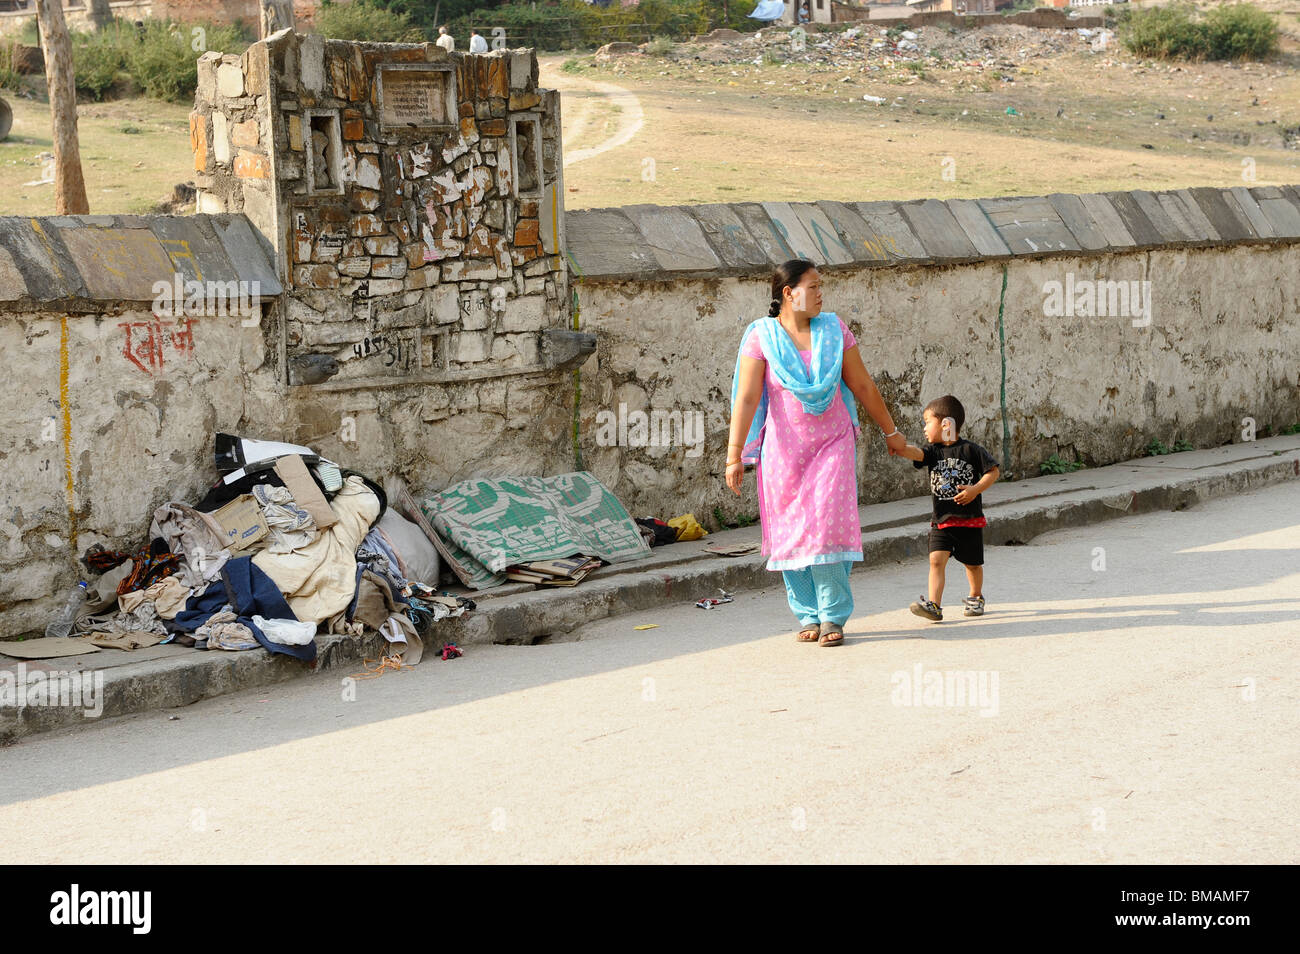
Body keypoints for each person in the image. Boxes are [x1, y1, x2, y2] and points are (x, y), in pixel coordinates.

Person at [728, 260, 907, 646]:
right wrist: (734, 455)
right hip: (783, 451)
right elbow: (746, 398)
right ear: (788, 293)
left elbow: (862, 384)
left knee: (827, 527)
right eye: (813, 285)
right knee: (791, 531)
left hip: (833, 443)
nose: (821, 292)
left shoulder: (834, 329)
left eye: (821, 285)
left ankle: (833, 617)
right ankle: (807, 614)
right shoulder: (760, 336)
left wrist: (891, 432)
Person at [891, 395, 1000, 622]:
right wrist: (900, 448)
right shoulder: (933, 452)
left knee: (972, 565)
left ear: (946, 424)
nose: (924, 428)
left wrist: (975, 489)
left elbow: (993, 471)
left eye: (927, 421)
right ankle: (934, 605)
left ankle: (976, 596)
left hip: (969, 520)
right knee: (936, 560)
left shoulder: (971, 450)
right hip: (942, 520)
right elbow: (916, 453)